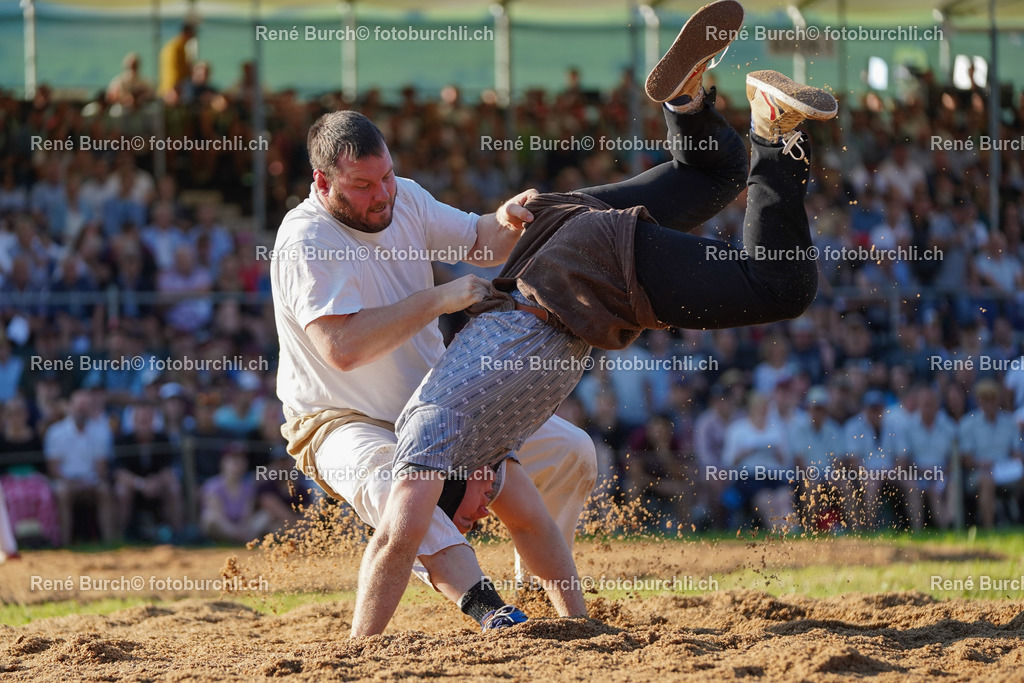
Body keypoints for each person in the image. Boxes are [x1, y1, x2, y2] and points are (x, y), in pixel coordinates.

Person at [355, 0, 838, 636]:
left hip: (578, 272)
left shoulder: (431, 440)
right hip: (553, 232)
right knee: (717, 171)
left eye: (467, 519)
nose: (477, 520)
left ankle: (775, 131)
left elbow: (393, 540)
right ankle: (686, 101)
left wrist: (358, 652)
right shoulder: (482, 456)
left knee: (779, 284)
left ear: (455, 489)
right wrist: (574, 625)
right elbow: (536, 530)